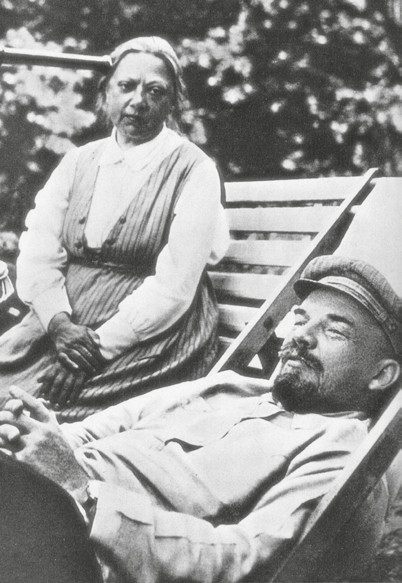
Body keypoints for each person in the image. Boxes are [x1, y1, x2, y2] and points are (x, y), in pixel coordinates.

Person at [0, 255, 400, 583]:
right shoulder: (231, 386)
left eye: (335, 332)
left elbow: (237, 560)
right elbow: (98, 429)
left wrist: (83, 491)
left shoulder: (339, 446)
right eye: (299, 319)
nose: (301, 336)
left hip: (83, 551)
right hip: (35, 496)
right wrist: (35, 434)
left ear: (381, 375)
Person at [0, 36, 229, 421]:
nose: (138, 101)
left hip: (146, 334)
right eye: (126, 86)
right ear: (105, 94)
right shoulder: (78, 162)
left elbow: (174, 287)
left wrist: (93, 351)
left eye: (155, 91)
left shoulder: (195, 170)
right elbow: (39, 250)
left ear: (172, 102)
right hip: (62, 325)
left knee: (33, 417)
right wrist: (58, 324)